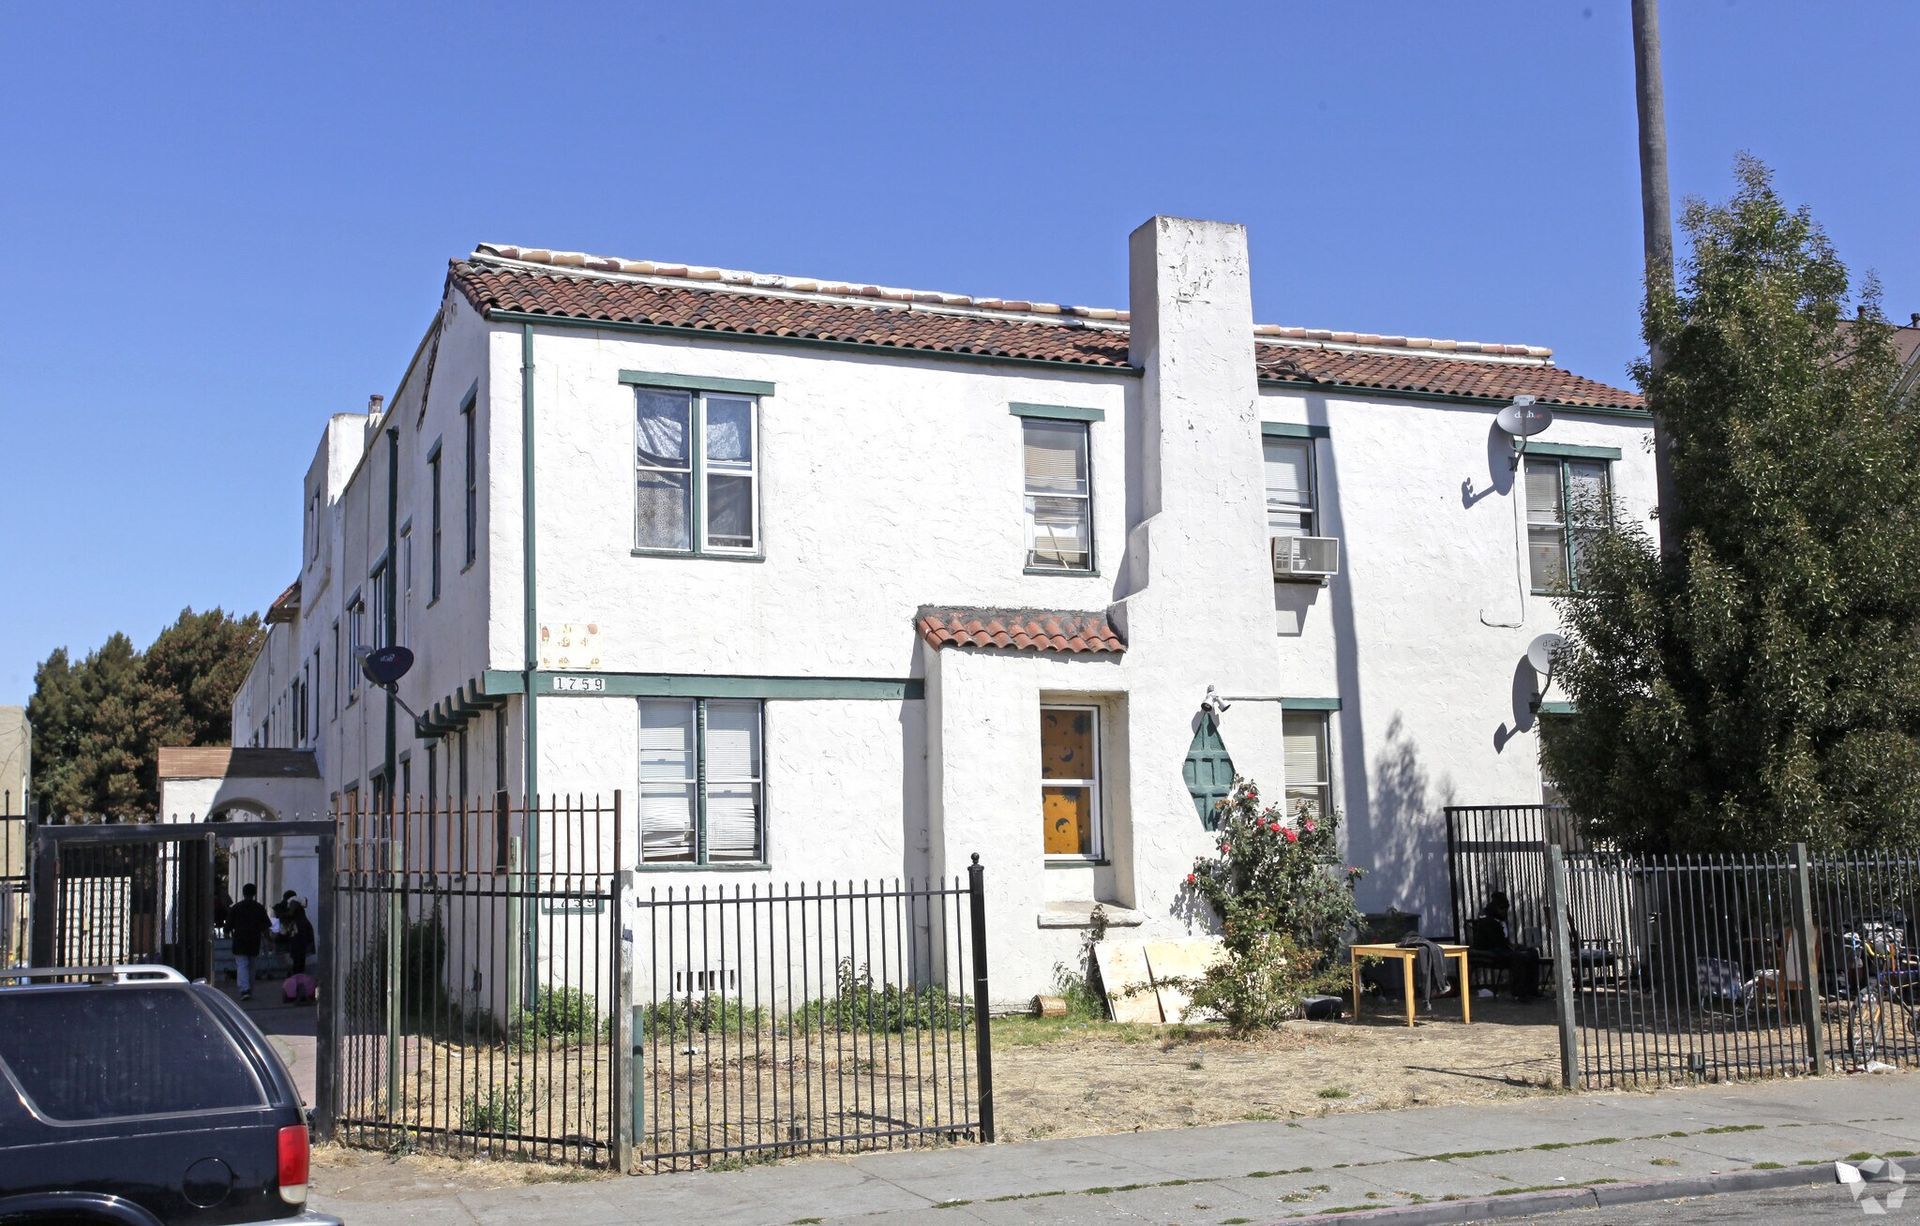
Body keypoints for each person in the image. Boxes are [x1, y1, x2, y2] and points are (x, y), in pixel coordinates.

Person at [1469, 890, 1544, 1000]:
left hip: (1502, 947)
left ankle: (1532, 989)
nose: (1504, 911)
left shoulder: (1500, 919)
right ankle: (1519, 993)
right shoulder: (1487, 918)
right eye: (1502, 908)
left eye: (1506, 909)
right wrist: (1512, 948)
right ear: (1495, 907)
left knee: (1533, 952)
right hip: (1489, 950)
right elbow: (1495, 941)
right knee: (1518, 957)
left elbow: (1504, 940)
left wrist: (1514, 946)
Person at [227, 884, 271, 1002]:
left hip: (240, 940)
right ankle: (249, 989)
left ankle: (244, 989)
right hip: (254, 940)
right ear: (254, 893)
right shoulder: (259, 908)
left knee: (242, 964)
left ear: (243, 893)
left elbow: (228, 926)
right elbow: (265, 926)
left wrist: (229, 934)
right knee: (252, 966)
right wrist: (269, 940)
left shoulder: (236, 908)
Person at [284, 896, 315, 978]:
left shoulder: (293, 902)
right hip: (302, 933)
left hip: (299, 933)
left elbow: (290, 914)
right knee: (300, 955)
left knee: (298, 955)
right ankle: (299, 973)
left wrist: (282, 915)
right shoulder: (300, 911)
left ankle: (297, 974)